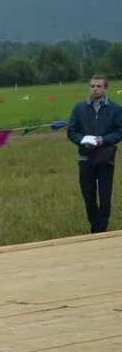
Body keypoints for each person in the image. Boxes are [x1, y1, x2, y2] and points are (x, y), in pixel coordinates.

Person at [67, 75, 122, 233]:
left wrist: (104, 140)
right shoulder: (79, 108)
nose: (95, 89)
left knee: (105, 195)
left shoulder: (116, 109)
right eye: (92, 86)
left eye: (98, 86)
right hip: (85, 156)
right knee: (88, 195)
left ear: (106, 88)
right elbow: (71, 131)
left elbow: (120, 131)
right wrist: (82, 140)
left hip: (105, 155)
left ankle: (101, 230)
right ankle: (95, 226)